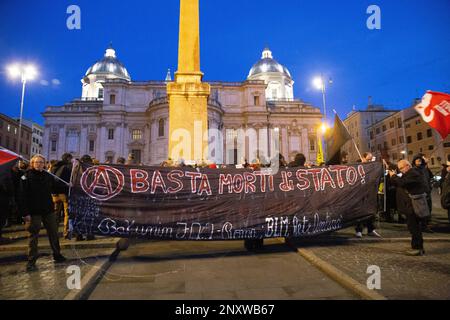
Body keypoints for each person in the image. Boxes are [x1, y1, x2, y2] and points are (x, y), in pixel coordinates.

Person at [20, 154, 66, 271]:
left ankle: (57, 254)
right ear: (32, 164)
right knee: (33, 236)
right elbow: (21, 196)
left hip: (48, 210)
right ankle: (31, 261)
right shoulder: (26, 176)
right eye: (37, 162)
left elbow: (56, 188)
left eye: (41, 162)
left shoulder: (48, 176)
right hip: (33, 212)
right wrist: (25, 213)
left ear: (45, 164)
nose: (39, 164)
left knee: (54, 233)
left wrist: (67, 186)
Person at [389, 160, 427, 256]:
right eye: (399, 169)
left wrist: (394, 176)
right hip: (410, 205)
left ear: (407, 166)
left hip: (413, 205)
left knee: (414, 227)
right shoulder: (410, 173)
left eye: (401, 168)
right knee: (413, 226)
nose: (401, 170)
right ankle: (417, 247)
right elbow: (399, 183)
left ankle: (418, 248)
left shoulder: (413, 173)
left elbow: (402, 183)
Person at [355, 152, 382, 238]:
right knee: (360, 212)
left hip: (370, 192)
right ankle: (359, 230)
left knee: (370, 212)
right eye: (368, 159)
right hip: (360, 193)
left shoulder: (371, 167)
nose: (370, 161)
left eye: (371, 159)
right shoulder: (357, 166)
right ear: (363, 158)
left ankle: (371, 229)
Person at [50, 153, 73, 239]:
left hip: (55, 194)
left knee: (55, 213)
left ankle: (54, 232)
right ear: (68, 159)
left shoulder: (54, 166)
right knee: (67, 214)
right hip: (64, 193)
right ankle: (65, 232)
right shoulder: (68, 167)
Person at [412, 154, 433, 232]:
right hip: (420, 193)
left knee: (428, 209)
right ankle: (422, 226)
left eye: (420, 160)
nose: (419, 162)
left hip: (427, 192)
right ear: (414, 162)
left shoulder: (424, 169)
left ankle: (426, 225)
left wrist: (426, 165)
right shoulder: (414, 170)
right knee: (421, 211)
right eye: (417, 161)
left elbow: (431, 176)